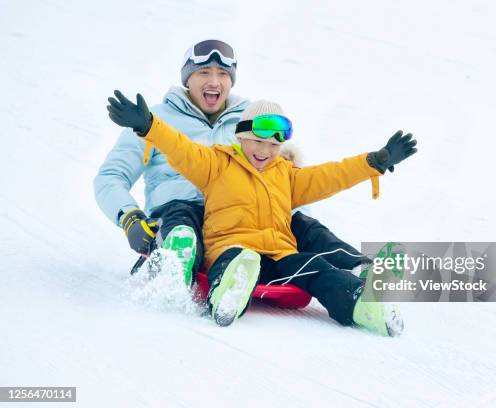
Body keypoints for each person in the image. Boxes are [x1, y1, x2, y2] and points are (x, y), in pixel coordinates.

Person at [106, 93, 418, 336]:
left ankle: (362, 305)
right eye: (257, 141)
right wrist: (148, 124)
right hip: (231, 248)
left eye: (272, 145)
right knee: (238, 262)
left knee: (316, 267)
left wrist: (373, 162)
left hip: (278, 255)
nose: (264, 151)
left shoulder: (286, 174)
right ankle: (225, 298)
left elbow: (331, 175)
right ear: (240, 137)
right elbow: (180, 148)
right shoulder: (216, 164)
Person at [94, 40, 370, 286]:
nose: (214, 81)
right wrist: (129, 217)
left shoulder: (251, 121)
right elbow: (111, 177)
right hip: (178, 214)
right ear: (187, 79)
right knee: (182, 218)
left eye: (223, 74)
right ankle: (174, 264)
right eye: (204, 72)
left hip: (240, 221)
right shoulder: (152, 120)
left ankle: (374, 276)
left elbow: (283, 179)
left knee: (303, 224)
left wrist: (293, 219)